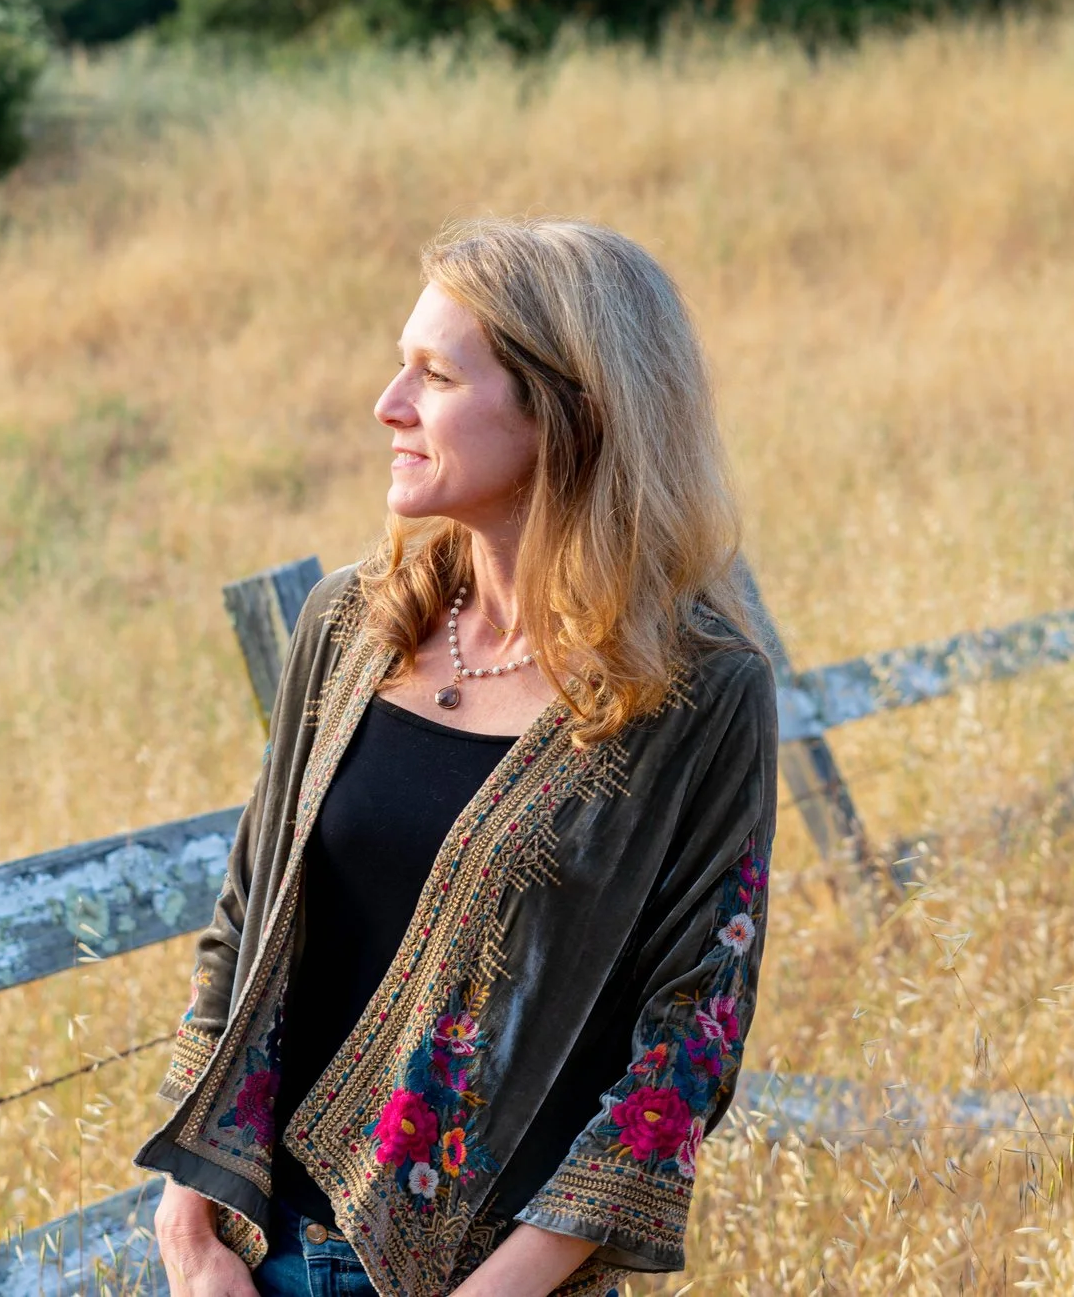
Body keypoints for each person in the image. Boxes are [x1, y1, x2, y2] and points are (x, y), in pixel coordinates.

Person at [136, 218, 778, 1297]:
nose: (388, 405)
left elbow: (689, 1043)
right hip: (253, 1255)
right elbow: (245, 921)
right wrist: (187, 1225)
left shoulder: (695, 692)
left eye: (433, 375)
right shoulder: (353, 628)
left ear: (569, 412)